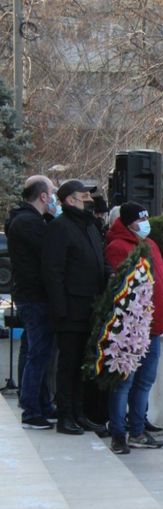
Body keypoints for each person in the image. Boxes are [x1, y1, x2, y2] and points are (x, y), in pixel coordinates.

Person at [103, 202, 163, 454]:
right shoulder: (118, 247)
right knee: (124, 384)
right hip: (130, 330)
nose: (145, 223)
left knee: (144, 383)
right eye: (140, 219)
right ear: (128, 222)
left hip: (153, 328)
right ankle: (119, 434)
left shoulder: (150, 245)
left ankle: (138, 431)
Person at [42, 180, 108, 435]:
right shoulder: (60, 228)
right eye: (83, 196)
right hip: (70, 309)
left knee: (83, 364)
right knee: (68, 364)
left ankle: (80, 413)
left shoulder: (89, 226)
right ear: (70, 200)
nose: (88, 200)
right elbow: (53, 271)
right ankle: (65, 415)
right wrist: (60, 308)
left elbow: (99, 261)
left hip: (91, 308)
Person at [5, 176, 58, 429]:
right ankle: (32, 410)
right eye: (52, 193)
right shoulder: (29, 223)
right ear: (43, 196)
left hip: (34, 296)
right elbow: (48, 254)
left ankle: (43, 404)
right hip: (35, 297)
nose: (54, 198)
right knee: (38, 354)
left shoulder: (30, 220)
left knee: (39, 352)